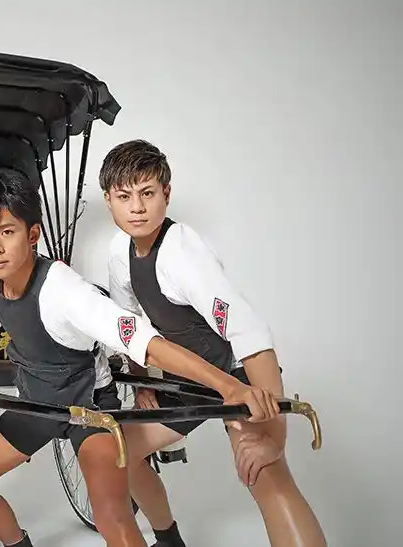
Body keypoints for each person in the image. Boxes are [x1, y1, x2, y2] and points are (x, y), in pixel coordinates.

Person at [0, 167, 280, 547]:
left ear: (32, 234)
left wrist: (228, 387)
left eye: (7, 232)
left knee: (112, 518)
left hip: (88, 410)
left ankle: (169, 540)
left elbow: (148, 344)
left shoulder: (65, 291)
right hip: (36, 405)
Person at [100, 139, 328, 547]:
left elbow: (250, 333)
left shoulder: (182, 253)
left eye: (147, 193)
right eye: (124, 196)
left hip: (238, 373)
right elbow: (130, 324)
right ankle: (169, 540)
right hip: (187, 380)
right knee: (116, 453)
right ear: (108, 201)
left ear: (166, 194)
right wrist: (144, 384)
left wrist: (273, 439)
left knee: (265, 475)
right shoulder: (120, 253)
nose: (137, 207)